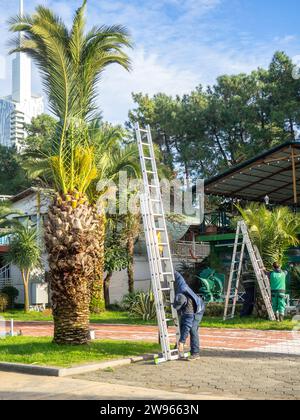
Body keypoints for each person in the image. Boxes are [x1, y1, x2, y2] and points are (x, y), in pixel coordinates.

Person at [173, 271, 205, 360]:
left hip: (198, 310)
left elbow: (187, 325)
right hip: (188, 307)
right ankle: (177, 349)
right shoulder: (181, 287)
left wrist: (182, 341)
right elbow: (178, 275)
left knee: (192, 329)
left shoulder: (188, 308)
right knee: (181, 326)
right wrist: (169, 270)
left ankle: (195, 353)